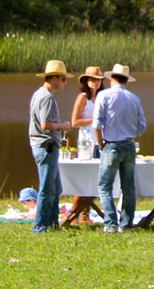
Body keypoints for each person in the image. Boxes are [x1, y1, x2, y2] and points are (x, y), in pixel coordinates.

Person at [92, 63, 146, 233]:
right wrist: (129, 132)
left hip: (111, 144)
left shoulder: (103, 95)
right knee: (128, 188)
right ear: (126, 81)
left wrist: (101, 145)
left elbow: (97, 124)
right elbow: (142, 127)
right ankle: (126, 224)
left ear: (111, 78)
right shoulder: (134, 98)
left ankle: (110, 223)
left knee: (105, 186)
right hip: (129, 145)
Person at [27, 59, 72, 232]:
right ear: (54, 78)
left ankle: (53, 224)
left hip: (45, 147)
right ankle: (40, 226)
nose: (65, 83)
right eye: (63, 79)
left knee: (56, 188)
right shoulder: (46, 97)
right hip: (46, 147)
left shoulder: (39, 94)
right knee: (47, 189)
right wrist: (62, 125)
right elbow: (45, 124)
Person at [71, 66, 104, 160]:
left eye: (98, 80)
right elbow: (74, 122)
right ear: (86, 81)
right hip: (87, 143)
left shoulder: (101, 97)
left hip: (101, 141)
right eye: (93, 79)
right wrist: (94, 119)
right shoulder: (83, 97)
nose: (96, 82)